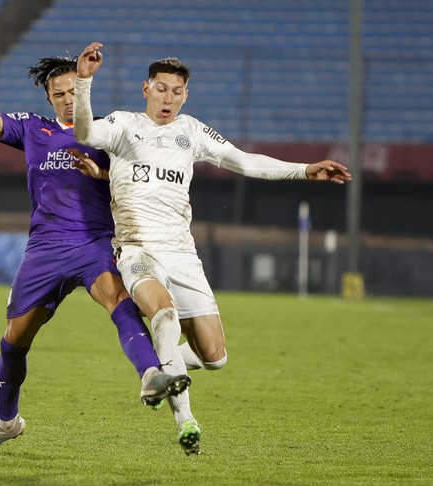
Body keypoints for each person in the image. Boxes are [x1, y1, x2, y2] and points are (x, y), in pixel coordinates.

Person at [72, 41, 352, 455]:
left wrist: (305, 170)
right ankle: (186, 420)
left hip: (182, 253)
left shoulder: (193, 131)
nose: (169, 98)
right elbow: (84, 132)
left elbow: (245, 161)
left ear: (186, 95)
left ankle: (157, 367)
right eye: (162, 89)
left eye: (177, 92)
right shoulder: (123, 125)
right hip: (137, 249)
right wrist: (83, 83)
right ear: (145, 88)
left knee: (215, 355)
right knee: (163, 313)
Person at [0, 32, 191, 461]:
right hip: (45, 250)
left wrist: (102, 175)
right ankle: (7, 422)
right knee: (13, 342)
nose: (69, 99)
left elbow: (140, 182)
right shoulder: (33, 129)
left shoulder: (110, 132)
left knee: (120, 303)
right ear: (49, 97)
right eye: (60, 94)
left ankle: (151, 374)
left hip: (94, 242)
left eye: (75, 90)